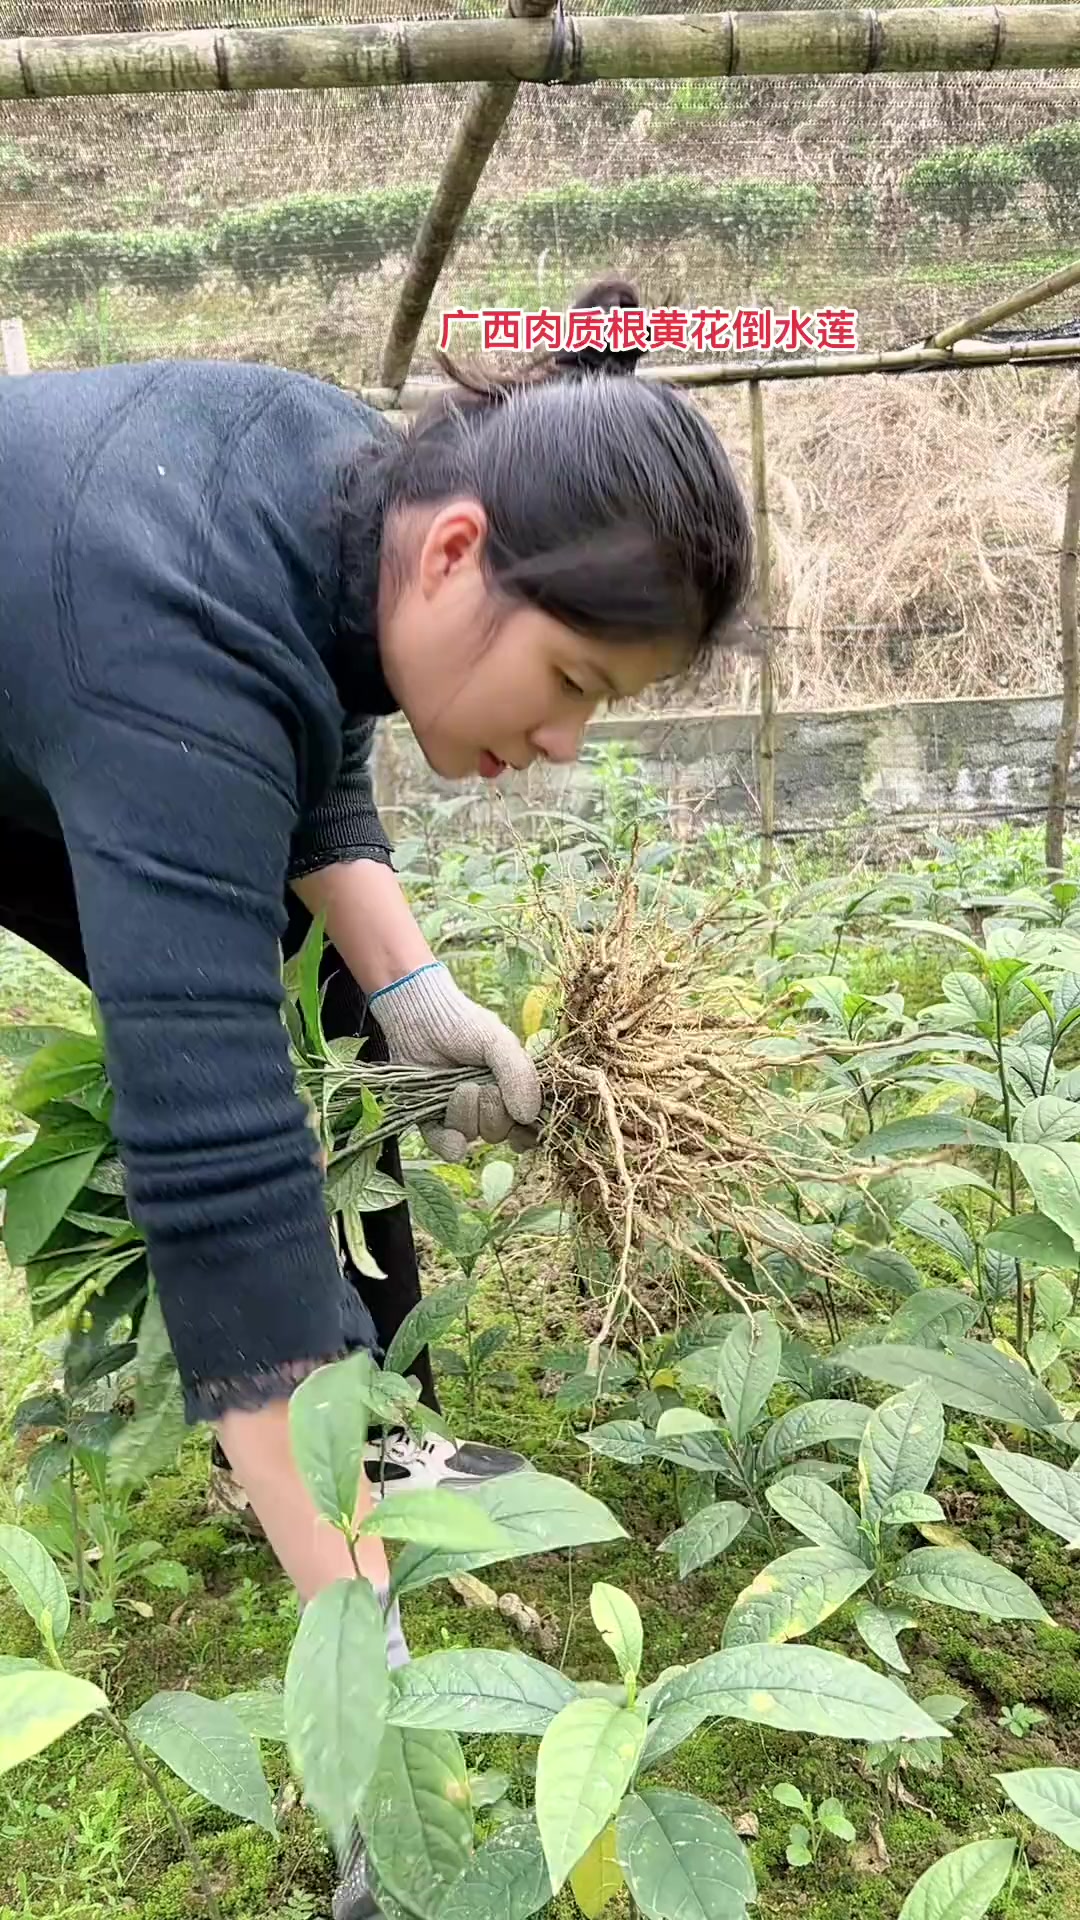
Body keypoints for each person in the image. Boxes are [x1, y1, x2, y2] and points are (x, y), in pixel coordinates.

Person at [0, 275, 753, 1917]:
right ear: (464, 553)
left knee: (324, 984)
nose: (562, 744)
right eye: (573, 683)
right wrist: (373, 1663)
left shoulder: (353, 467)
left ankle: (370, 1431)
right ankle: (317, 1495)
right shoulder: (170, 657)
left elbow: (322, 699)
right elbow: (211, 1164)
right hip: (59, 669)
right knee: (224, 1103)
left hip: (67, 661)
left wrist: (413, 991)